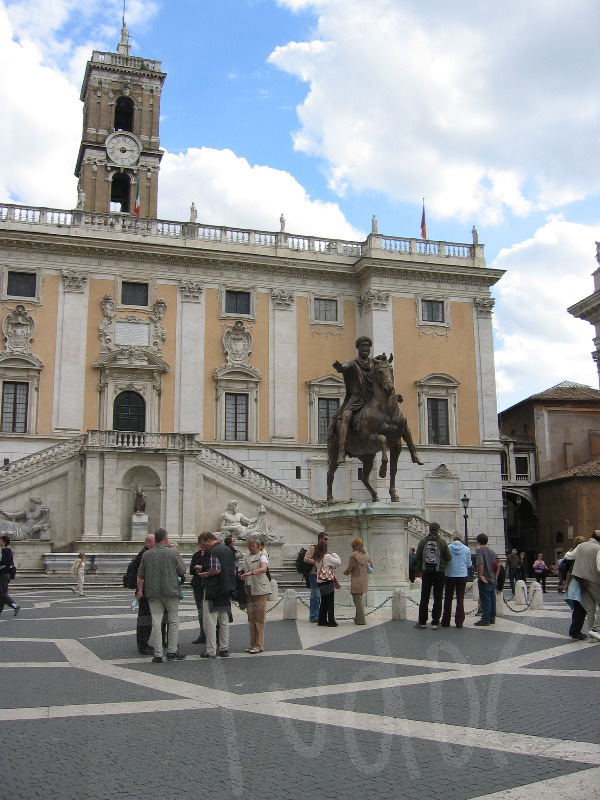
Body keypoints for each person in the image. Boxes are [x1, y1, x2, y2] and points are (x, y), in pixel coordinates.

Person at [136, 528, 186, 663]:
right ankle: (171, 651)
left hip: (153, 592)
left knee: (156, 622)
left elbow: (140, 575)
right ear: (165, 539)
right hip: (171, 591)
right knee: (173, 621)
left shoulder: (146, 555)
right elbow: (182, 570)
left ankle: (158, 654)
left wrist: (140, 591)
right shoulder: (172, 553)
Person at [332, 335, 374, 464]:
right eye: (362, 346)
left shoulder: (374, 364)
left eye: (367, 346)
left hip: (372, 398)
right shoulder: (353, 362)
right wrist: (340, 368)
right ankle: (342, 450)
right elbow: (345, 366)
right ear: (358, 348)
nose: (365, 348)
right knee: (345, 416)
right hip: (356, 399)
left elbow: (384, 380)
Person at [195, 532, 236, 658]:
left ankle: (211, 650)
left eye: (203, 544)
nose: (203, 547)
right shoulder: (228, 550)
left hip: (214, 589)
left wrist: (205, 574)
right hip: (227, 588)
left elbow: (216, 569)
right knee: (224, 620)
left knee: (211, 621)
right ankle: (224, 648)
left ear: (208, 541)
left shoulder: (213, 552)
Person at [414, 522, 451, 629]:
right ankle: (435, 622)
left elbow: (417, 557)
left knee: (424, 597)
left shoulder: (423, 542)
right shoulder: (442, 542)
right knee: (438, 597)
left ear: (429, 529)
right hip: (439, 572)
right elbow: (449, 557)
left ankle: (422, 622)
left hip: (427, 572)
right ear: (438, 530)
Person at [239, 536, 271, 653]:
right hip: (249, 589)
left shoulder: (262, 556)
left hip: (260, 590)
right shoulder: (247, 557)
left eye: (252, 546)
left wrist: (250, 573)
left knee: (259, 618)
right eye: (249, 546)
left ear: (257, 546)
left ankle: (259, 645)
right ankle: (253, 644)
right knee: (251, 618)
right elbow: (243, 570)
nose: (250, 548)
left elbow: (263, 569)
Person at [569, 529, 600, 642]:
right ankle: (595, 630)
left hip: (582, 581)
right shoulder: (598, 548)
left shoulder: (581, 546)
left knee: (590, 608)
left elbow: (568, 556)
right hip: (594, 580)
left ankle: (593, 636)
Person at [131, 533, 157, 655]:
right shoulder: (145, 555)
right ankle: (143, 645)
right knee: (145, 618)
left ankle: (144, 643)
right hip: (144, 591)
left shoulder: (144, 554)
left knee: (146, 618)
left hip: (144, 590)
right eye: (153, 542)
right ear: (147, 543)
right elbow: (140, 574)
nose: (155, 544)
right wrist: (140, 590)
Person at [441, 533, 472, 628]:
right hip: (462, 575)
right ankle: (459, 622)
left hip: (450, 574)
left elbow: (445, 560)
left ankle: (446, 621)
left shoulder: (448, 547)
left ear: (453, 539)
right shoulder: (466, 549)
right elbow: (469, 563)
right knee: (460, 598)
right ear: (461, 539)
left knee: (448, 598)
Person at [562, 536, 587, 640]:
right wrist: (567, 584)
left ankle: (575, 630)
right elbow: (570, 572)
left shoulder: (571, 554)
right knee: (580, 609)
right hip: (576, 585)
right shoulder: (577, 557)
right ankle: (575, 631)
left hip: (573, 584)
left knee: (578, 609)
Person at [343, 537, 372, 625]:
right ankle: (357, 617)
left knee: (357, 600)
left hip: (356, 579)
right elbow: (372, 566)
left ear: (353, 546)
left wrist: (344, 572)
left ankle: (361, 620)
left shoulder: (353, 555)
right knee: (359, 598)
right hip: (364, 579)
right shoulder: (366, 554)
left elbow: (349, 569)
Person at [315, 539, 341, 627]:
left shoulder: (317, 557)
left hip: (320, 581)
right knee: (330, 601)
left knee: (323, 601)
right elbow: (338, 562)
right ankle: (331, 621)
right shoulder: (327, 556)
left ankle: (321, 620)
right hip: (327, 581)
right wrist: (333, 554)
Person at [474, 533, 498, 627]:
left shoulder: (479, 551)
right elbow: (498, 565)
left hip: (485, 578)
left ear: (478, 541)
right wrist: (495, 576)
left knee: (485, 599)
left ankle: (485, 618)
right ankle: (492, 618)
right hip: (492, 578)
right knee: (492, 598)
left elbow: (480, 563)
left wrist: (480, 575)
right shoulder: (492, 552)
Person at [303, 531, 328, 623]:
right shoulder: (313, 548)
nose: (326, 541)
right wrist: (316, 562)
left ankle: (318, 614)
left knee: (319, 594)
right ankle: (313, 615)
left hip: (322, 573)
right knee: (315, 593)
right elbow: (306, 558)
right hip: (313, 573)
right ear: (320, 539)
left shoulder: (324, 549)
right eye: (325, 539)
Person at [0, 535, 19, 616]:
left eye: (0, 540)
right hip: (6, 574)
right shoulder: (8, 550)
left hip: (3, 574)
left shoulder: (4, 551)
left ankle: (14, 605)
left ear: (4, 542)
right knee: (3, 593)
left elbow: (3, 562)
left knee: (2, 593)